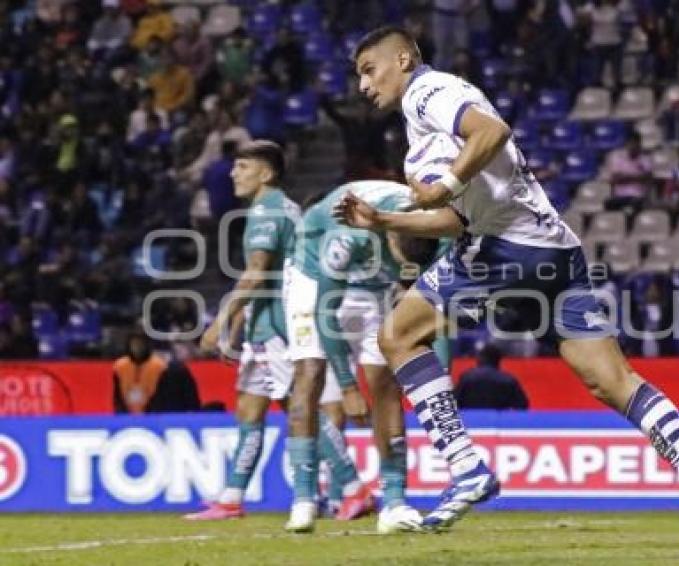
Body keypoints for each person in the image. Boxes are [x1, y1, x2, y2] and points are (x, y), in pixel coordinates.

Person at [336, 26, 679, 553]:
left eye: (370, 70)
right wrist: (384, 220)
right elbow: (456, 219)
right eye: (358, 76)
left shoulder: (430, 93)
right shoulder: (424, 128)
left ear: (404, 57)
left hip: (508, 250)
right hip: (552, 251)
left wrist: (442, 185)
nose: (364, 85)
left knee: (397, 337)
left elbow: (493, 132)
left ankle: (465, 468)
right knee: (610, 381)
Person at [188, 141, 368, 525]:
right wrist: (239, 326)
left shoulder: (267, 212)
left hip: (280, 326)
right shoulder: (281, 207)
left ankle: (354, 488)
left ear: (265, 173)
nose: (233, 174)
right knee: (249, 408)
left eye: (241, 166)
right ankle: (232, 497)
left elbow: (256, 272)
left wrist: (220, 321)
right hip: (265, 322)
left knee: (297, 410)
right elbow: (265, 276)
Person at [284, 179, 450, 533]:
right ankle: (304, 498)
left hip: (374, 282)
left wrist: (442, 372)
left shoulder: (442, 231)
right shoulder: (349, 233)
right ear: (390, 238)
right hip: (314, 276)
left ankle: (394, 501)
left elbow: (436, 309)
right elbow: (326, 315)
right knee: (310, 372)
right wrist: (347, 387)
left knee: (385, 384)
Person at [112, 330, 200, 413]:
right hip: (127, 415)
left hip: (152, 414)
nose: (137, 347)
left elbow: (161, 397)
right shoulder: (119, 366)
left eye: (140, 344)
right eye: (134, 344)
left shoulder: (160, 366)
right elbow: (117, 396)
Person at [455, 344, 528, 410]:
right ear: (498, 361)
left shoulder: (466, 377)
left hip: (470, 421)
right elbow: (522, 405)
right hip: (499, 422)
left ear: (479, 359)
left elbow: (454, 402)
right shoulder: (509, 380)